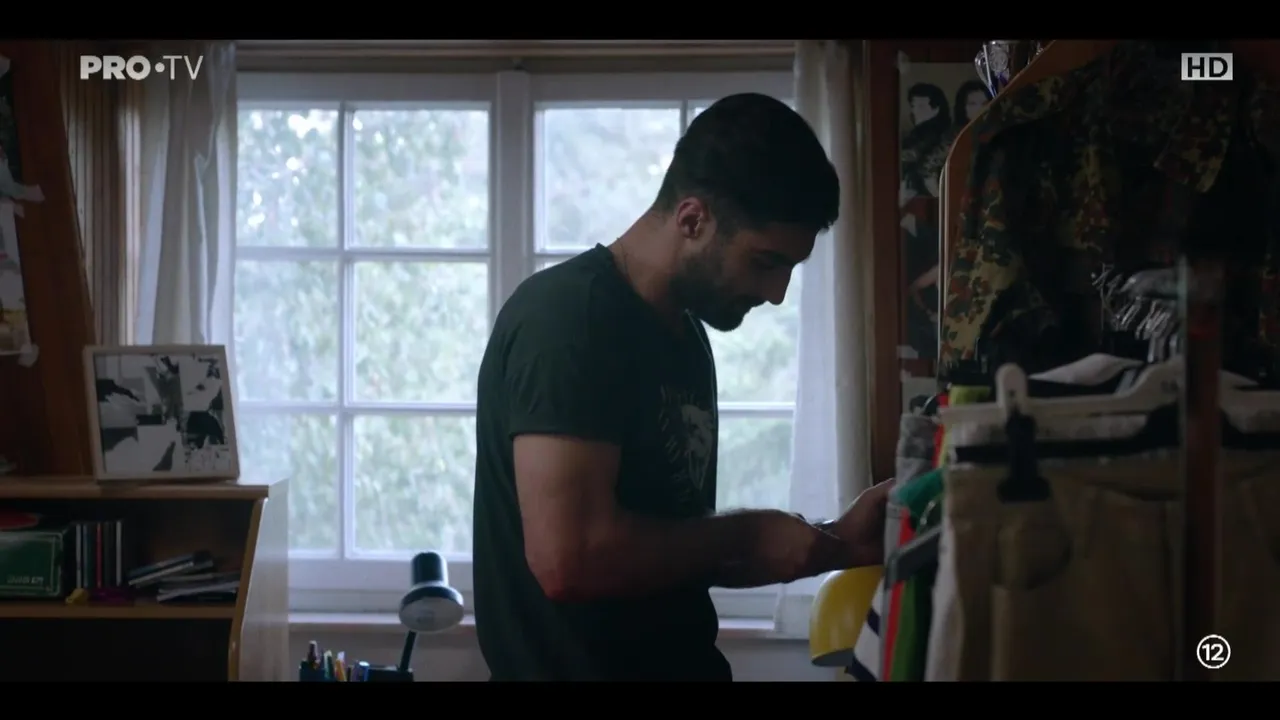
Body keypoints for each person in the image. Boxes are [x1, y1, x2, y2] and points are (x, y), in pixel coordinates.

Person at [472, 92, 891, 682]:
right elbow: (570, 560)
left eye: (789, 270)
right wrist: (748, 531)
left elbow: (674, 553)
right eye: (765, 262)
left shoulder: (685, 336)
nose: (776, 294)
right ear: (692, 219)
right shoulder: (570, 319)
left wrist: (838, 542)